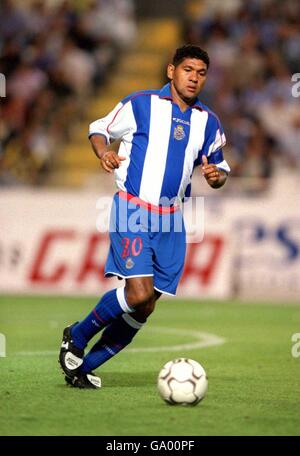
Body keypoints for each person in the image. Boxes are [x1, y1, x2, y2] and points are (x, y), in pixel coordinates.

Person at [59, 44, 230, 388]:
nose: (194, 78)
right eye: (188, 70)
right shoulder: (142, 103)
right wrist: (103, 152)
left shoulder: (207, 121)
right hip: (134, 208)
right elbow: (98, 127)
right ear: (171, 71)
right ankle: (76, 336)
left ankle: (85, 366)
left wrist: (216, 177)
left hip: (173, 219)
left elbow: (220, 166)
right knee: (137, 294)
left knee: (146, 307)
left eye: (201, 73)